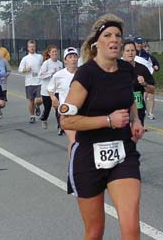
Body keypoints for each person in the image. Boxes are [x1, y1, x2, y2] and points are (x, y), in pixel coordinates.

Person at [61, 14, 144, 240]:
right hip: (88, 156)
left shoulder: (127, 70)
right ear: (96, 42)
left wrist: (135, 120)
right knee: (95, 232)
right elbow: (66, 120)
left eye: (118, 35)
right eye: (108, 35)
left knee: (131, 228)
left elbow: (128, 99)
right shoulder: (85, 74)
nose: (114, 40)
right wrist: (107, 120)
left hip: (122, 153)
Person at [47, 47, 79, 152]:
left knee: (82, 143)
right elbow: (50, 88)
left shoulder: (83, 73)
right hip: (66, 113)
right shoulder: (59, 75)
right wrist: (53, 98)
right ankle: (72, 167)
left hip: (82, 112)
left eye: (75, 56)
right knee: (75, 142)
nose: (73, 59)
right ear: (65, 60)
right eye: (70, 57)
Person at [122, 40, 155, 126]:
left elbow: (152, 90)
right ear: (123, 53)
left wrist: (144, 83)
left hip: (138, 108)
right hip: (122, 110)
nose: (130, 53)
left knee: (135, 136)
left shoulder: (142, 68)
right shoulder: (117, 68)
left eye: (132, 50)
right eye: (127, 51)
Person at [134, 37, 160, 120]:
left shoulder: (146, 55)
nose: (139, 44)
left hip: (147, 79)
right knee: (142, 97)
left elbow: (155, 64)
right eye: (137, 43)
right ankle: (142, 111)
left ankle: (150, 113)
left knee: (151, 95)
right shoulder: (131, 54)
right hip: (135, 80)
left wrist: (156, 67)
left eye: (140, 43)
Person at [18, 40, 43, 123]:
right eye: (30, 46)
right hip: (29, 82)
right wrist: (26, 69)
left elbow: (43, 66)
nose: (32, 48)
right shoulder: (25, 59)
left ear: (35, 47)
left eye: (33, 46)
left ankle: (37, 105)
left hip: (39, 81)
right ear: (28, 48)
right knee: (31, 100)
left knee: (40, 99)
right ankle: (32, 116)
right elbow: (20, 70)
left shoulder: (40, 56)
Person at [39, 45, 63, 130]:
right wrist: (51, 72)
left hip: (57, 90)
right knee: (47, 108)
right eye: (53, 52)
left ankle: (60, 126)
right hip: (47, 90)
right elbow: (40, 76)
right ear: (49, 53)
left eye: (56, 51)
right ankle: (44, 119)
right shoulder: (46, 63)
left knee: (58, 108)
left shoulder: (60, 63)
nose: (55, 53)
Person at [0, 45, 11, 118]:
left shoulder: (3, 60)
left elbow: (9, 70)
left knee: (2, 104)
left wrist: (5, 76)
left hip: (2, 85)